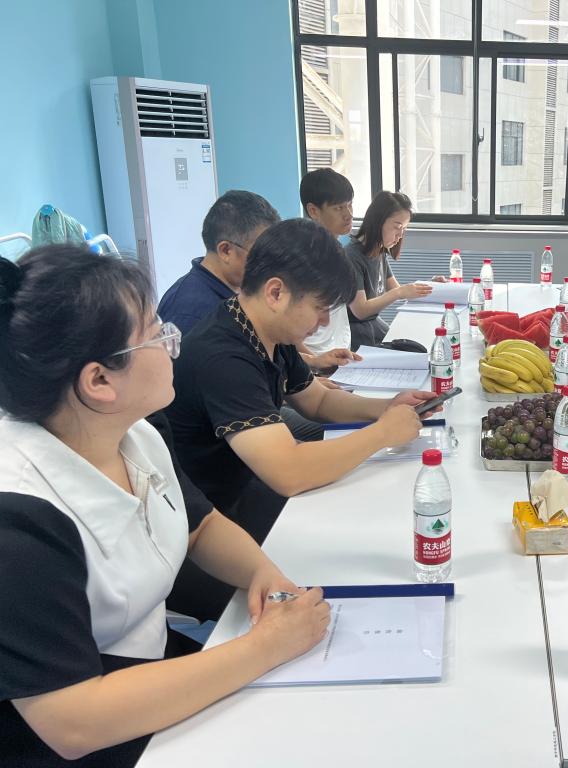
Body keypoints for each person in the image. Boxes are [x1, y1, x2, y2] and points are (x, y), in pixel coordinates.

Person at [0, 246, 329, 766]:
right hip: (85, 737)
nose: (174, 343)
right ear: (99, 381)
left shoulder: (137, 433)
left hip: (151, 669)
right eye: (157, 333)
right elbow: (73, 721)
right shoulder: (18, 520)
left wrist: (262, 572)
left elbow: (200, 526)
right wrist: (264, 646)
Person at [164, 218, 435, 541]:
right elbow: (288, 471)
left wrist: (388, 407)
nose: (324, 322)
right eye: (320, 308)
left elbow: (318, 400)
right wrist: (383, 433)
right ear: (276, 292)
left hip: (246, 488)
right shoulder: (224, 357)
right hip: (212, 519)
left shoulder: (268, 330)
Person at [157, 190, 280, 336]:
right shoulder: (191, 312)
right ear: (226, 251)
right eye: (261, 254)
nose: (269, 265)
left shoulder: (236, 291)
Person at [346, 191, 433, 348]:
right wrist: (399, 293)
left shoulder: (379, 251)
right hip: (356, 332)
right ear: (378, 221)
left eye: (404, 229)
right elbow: (360, 310)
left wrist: (431, 285)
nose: (400, 235)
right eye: (397, 227)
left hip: (372, 325)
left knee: (417, 346)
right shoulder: (352, 256)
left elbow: (398, 290)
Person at [298, 168, 359, 370]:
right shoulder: (304, 257)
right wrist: (314, 363)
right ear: (313, 211)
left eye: (350, 205)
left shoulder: (336, 248)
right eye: (339, 208)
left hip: (339, 356)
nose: (349, 215)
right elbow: (286, 328)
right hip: (316, 361)